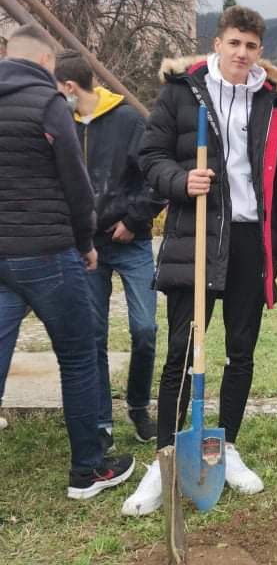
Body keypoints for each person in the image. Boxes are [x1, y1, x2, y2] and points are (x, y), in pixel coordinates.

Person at [120, 5, 277, 516]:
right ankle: (164, 458)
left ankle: (228, 445)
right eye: (234, 43)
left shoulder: (271, 100)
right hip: (196, 234)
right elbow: (150, 156)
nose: (242, 53)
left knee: (241, 350)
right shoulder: (183, 92)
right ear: (217, 44)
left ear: (260, 51)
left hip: (248, 239)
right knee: (182, 350)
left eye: (251, 46)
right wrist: (181, 181)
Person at [0, 24, 134, 498]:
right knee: (78, 357)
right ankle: (88, 471)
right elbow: (76, 183)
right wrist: (85, 243)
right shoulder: (48, 103)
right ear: (44, 62)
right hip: (49, 254)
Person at [54, 52, 164, 453]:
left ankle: (138, 406)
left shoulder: (129, 120)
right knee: (94, 334)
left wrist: (133, 220)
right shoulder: (60, 124)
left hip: (131, 242)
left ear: (69, 86)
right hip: (87, 247)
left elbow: (155, 177)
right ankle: (101, 419)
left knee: (145, 329)